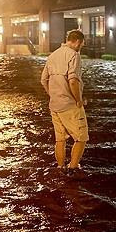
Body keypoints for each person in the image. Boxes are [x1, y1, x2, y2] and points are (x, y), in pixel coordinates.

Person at [41, 30, 88, 172]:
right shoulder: (74, 55)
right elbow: (73, 81)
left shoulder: (52, 55)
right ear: (78, 42)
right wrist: (78, 100)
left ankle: (60, 167)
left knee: (60, 139)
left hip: (54, 105)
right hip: (69, 105)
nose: (81, 47)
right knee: (81, 138)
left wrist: (53, 95)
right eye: (82, 44)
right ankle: (73, 168)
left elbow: (43, 80)